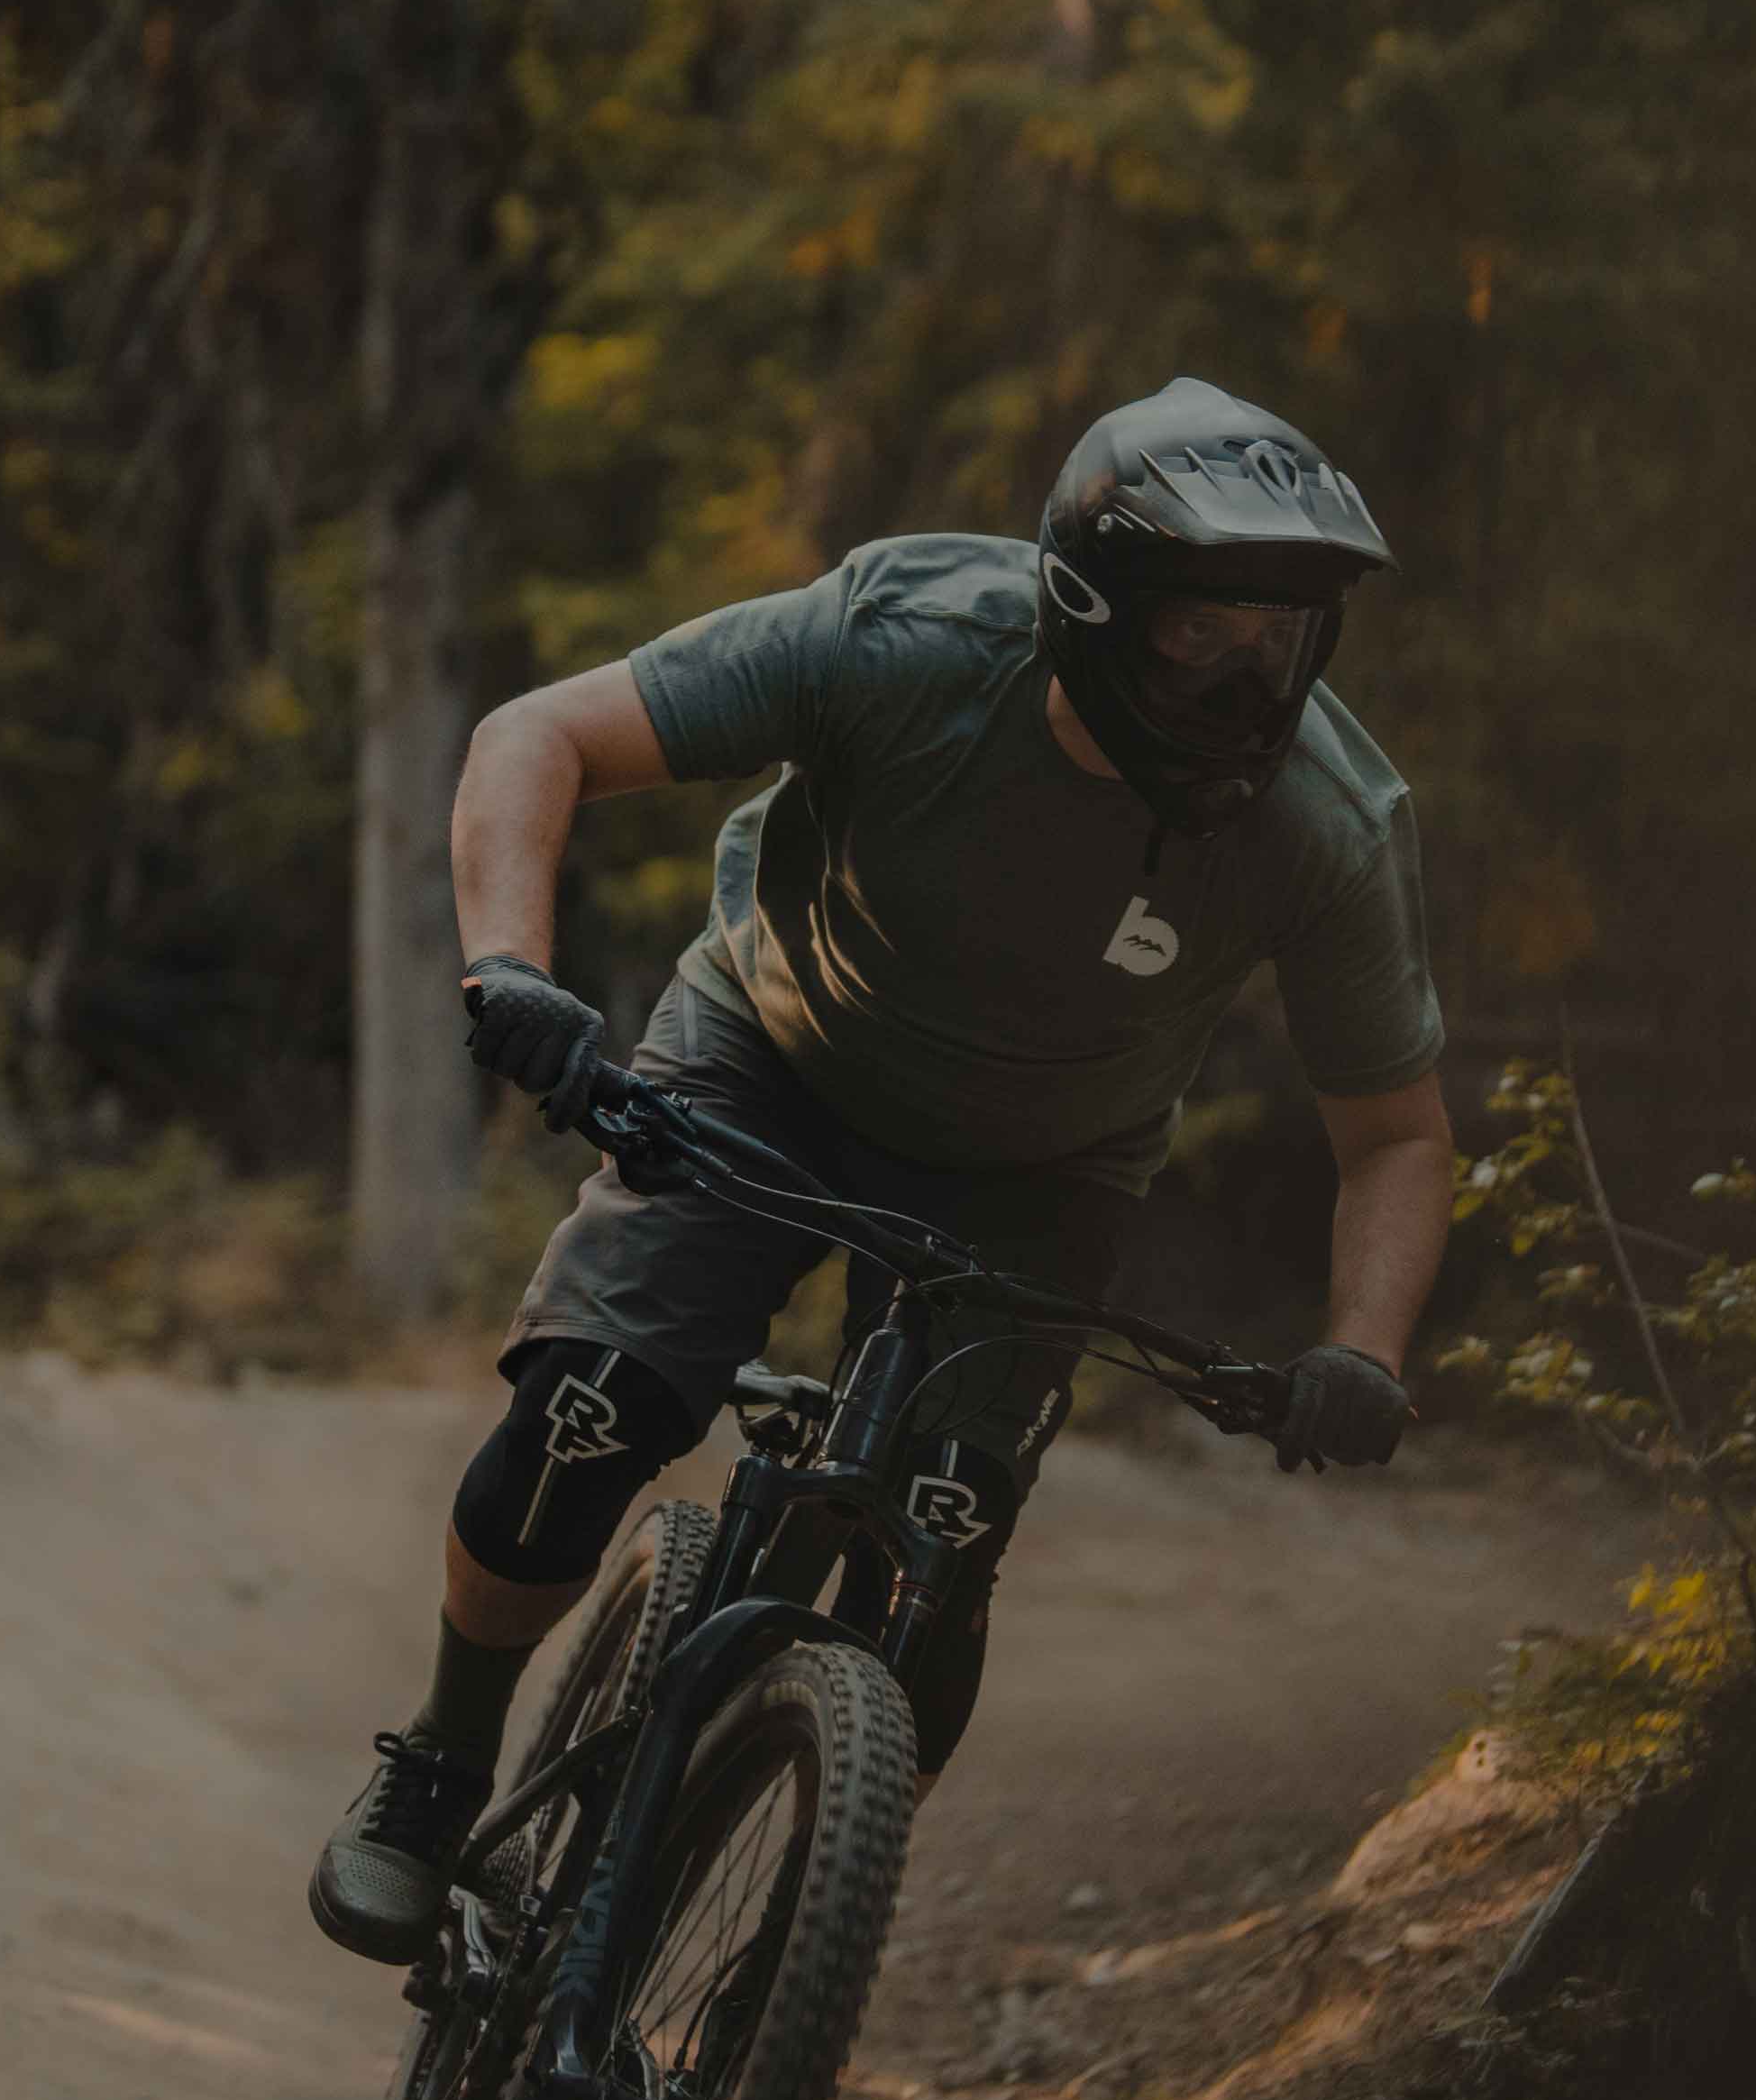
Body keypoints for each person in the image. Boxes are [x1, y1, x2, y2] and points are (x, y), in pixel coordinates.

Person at [308, 378, 1455, 1962]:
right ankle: (437, 1767)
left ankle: (789, 1953)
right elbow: (540, 733)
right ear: (1090, 603)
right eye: (1207, 631)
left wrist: (1362, 1351)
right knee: (591, 1411)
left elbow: (1392, 1132)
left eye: (1287, 636)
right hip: (771, 1054)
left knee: (940, 1552)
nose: (1254, 680)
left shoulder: (1326, 824)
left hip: (1046, 1169)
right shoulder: (908, 639)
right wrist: (511, 968)